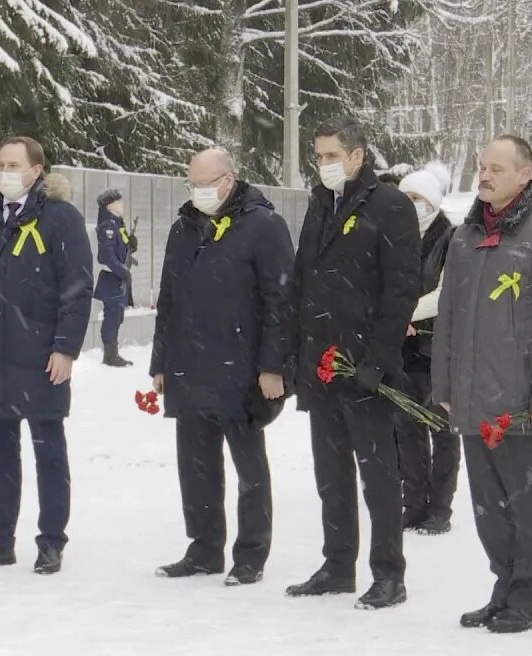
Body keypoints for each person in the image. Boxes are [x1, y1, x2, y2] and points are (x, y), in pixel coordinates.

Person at [432, 135, 532, 634]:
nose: (485, 175)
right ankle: (503, 586)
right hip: (474, 398)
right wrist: (445, 385)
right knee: (488, 507)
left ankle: (528, 597)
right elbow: (448, 317)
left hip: (519, 404)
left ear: (525, 174)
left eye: (497, 168)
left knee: (524, 504)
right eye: (481, 166)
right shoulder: (465, 236)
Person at [284, 116, 420, 610]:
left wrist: (377, 362)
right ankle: (338, 564)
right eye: (319, 157)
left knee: (379, 475)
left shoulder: (389, 206)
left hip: (365, 367)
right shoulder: (321, 203)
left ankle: (389, 573)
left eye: (331, 156)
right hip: (321, 366)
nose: (324, 166)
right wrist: (299, 353)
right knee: (330, 474)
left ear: (358, 155)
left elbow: (401, 290)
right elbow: (304, 279)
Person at [0, 136, 94, 575]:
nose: (5, 171)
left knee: (48, 451)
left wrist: (66, 347)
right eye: (0, 163)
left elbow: (77, 288)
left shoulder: (59, 219)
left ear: (37, 170)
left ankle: (50, 541)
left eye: (14, 164)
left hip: (40, 354)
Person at [150, 147, 295, 586]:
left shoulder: (264, 226)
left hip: (242, 369)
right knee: (195, 466)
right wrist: (161, 361)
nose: (198, 191)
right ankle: (204, 548)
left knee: (249, 467)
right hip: (190, 367)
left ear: (229, 181)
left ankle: (251, 554)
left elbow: (281, 301)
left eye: (206, 183)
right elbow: (168, 300)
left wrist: (273, 366)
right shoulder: (184, 227)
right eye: (191, 183)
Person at [395, 166, 461, 535]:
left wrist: (403, 314)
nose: (412, 205)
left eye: (418, 199)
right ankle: (413, 502)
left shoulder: (451, 238)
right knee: (407, 428)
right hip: (403, 349)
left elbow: (445, 293)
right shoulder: (395, 237)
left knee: (442, 428)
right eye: (406, 199)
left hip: (437, 346)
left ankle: (440, 507)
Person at [94, 189, 134, 367]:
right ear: (109, 205)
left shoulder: (118, 224)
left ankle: (113, 352)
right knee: (112, 315)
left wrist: (132, 244)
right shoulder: (108, 225)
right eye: (118, 202)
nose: (121, 205)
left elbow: (122, 248)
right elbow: (107, 255)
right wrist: (122, 271)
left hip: (117, 277)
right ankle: (110, 355)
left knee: (117, 315)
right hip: (112, 277)